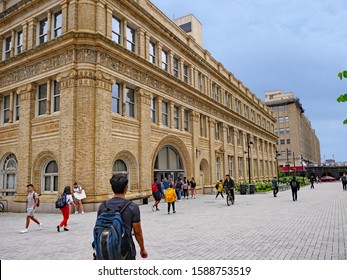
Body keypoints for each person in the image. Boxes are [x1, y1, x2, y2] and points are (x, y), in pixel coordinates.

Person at [96, 174, 148, 259]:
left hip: (106, 251)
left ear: (112, 188)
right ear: (126, 188)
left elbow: (98, 229)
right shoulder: (132, 207)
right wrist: (142, 249)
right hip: (126, 251)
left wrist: (97, 251)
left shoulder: (103, 206)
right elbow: (137, 232)